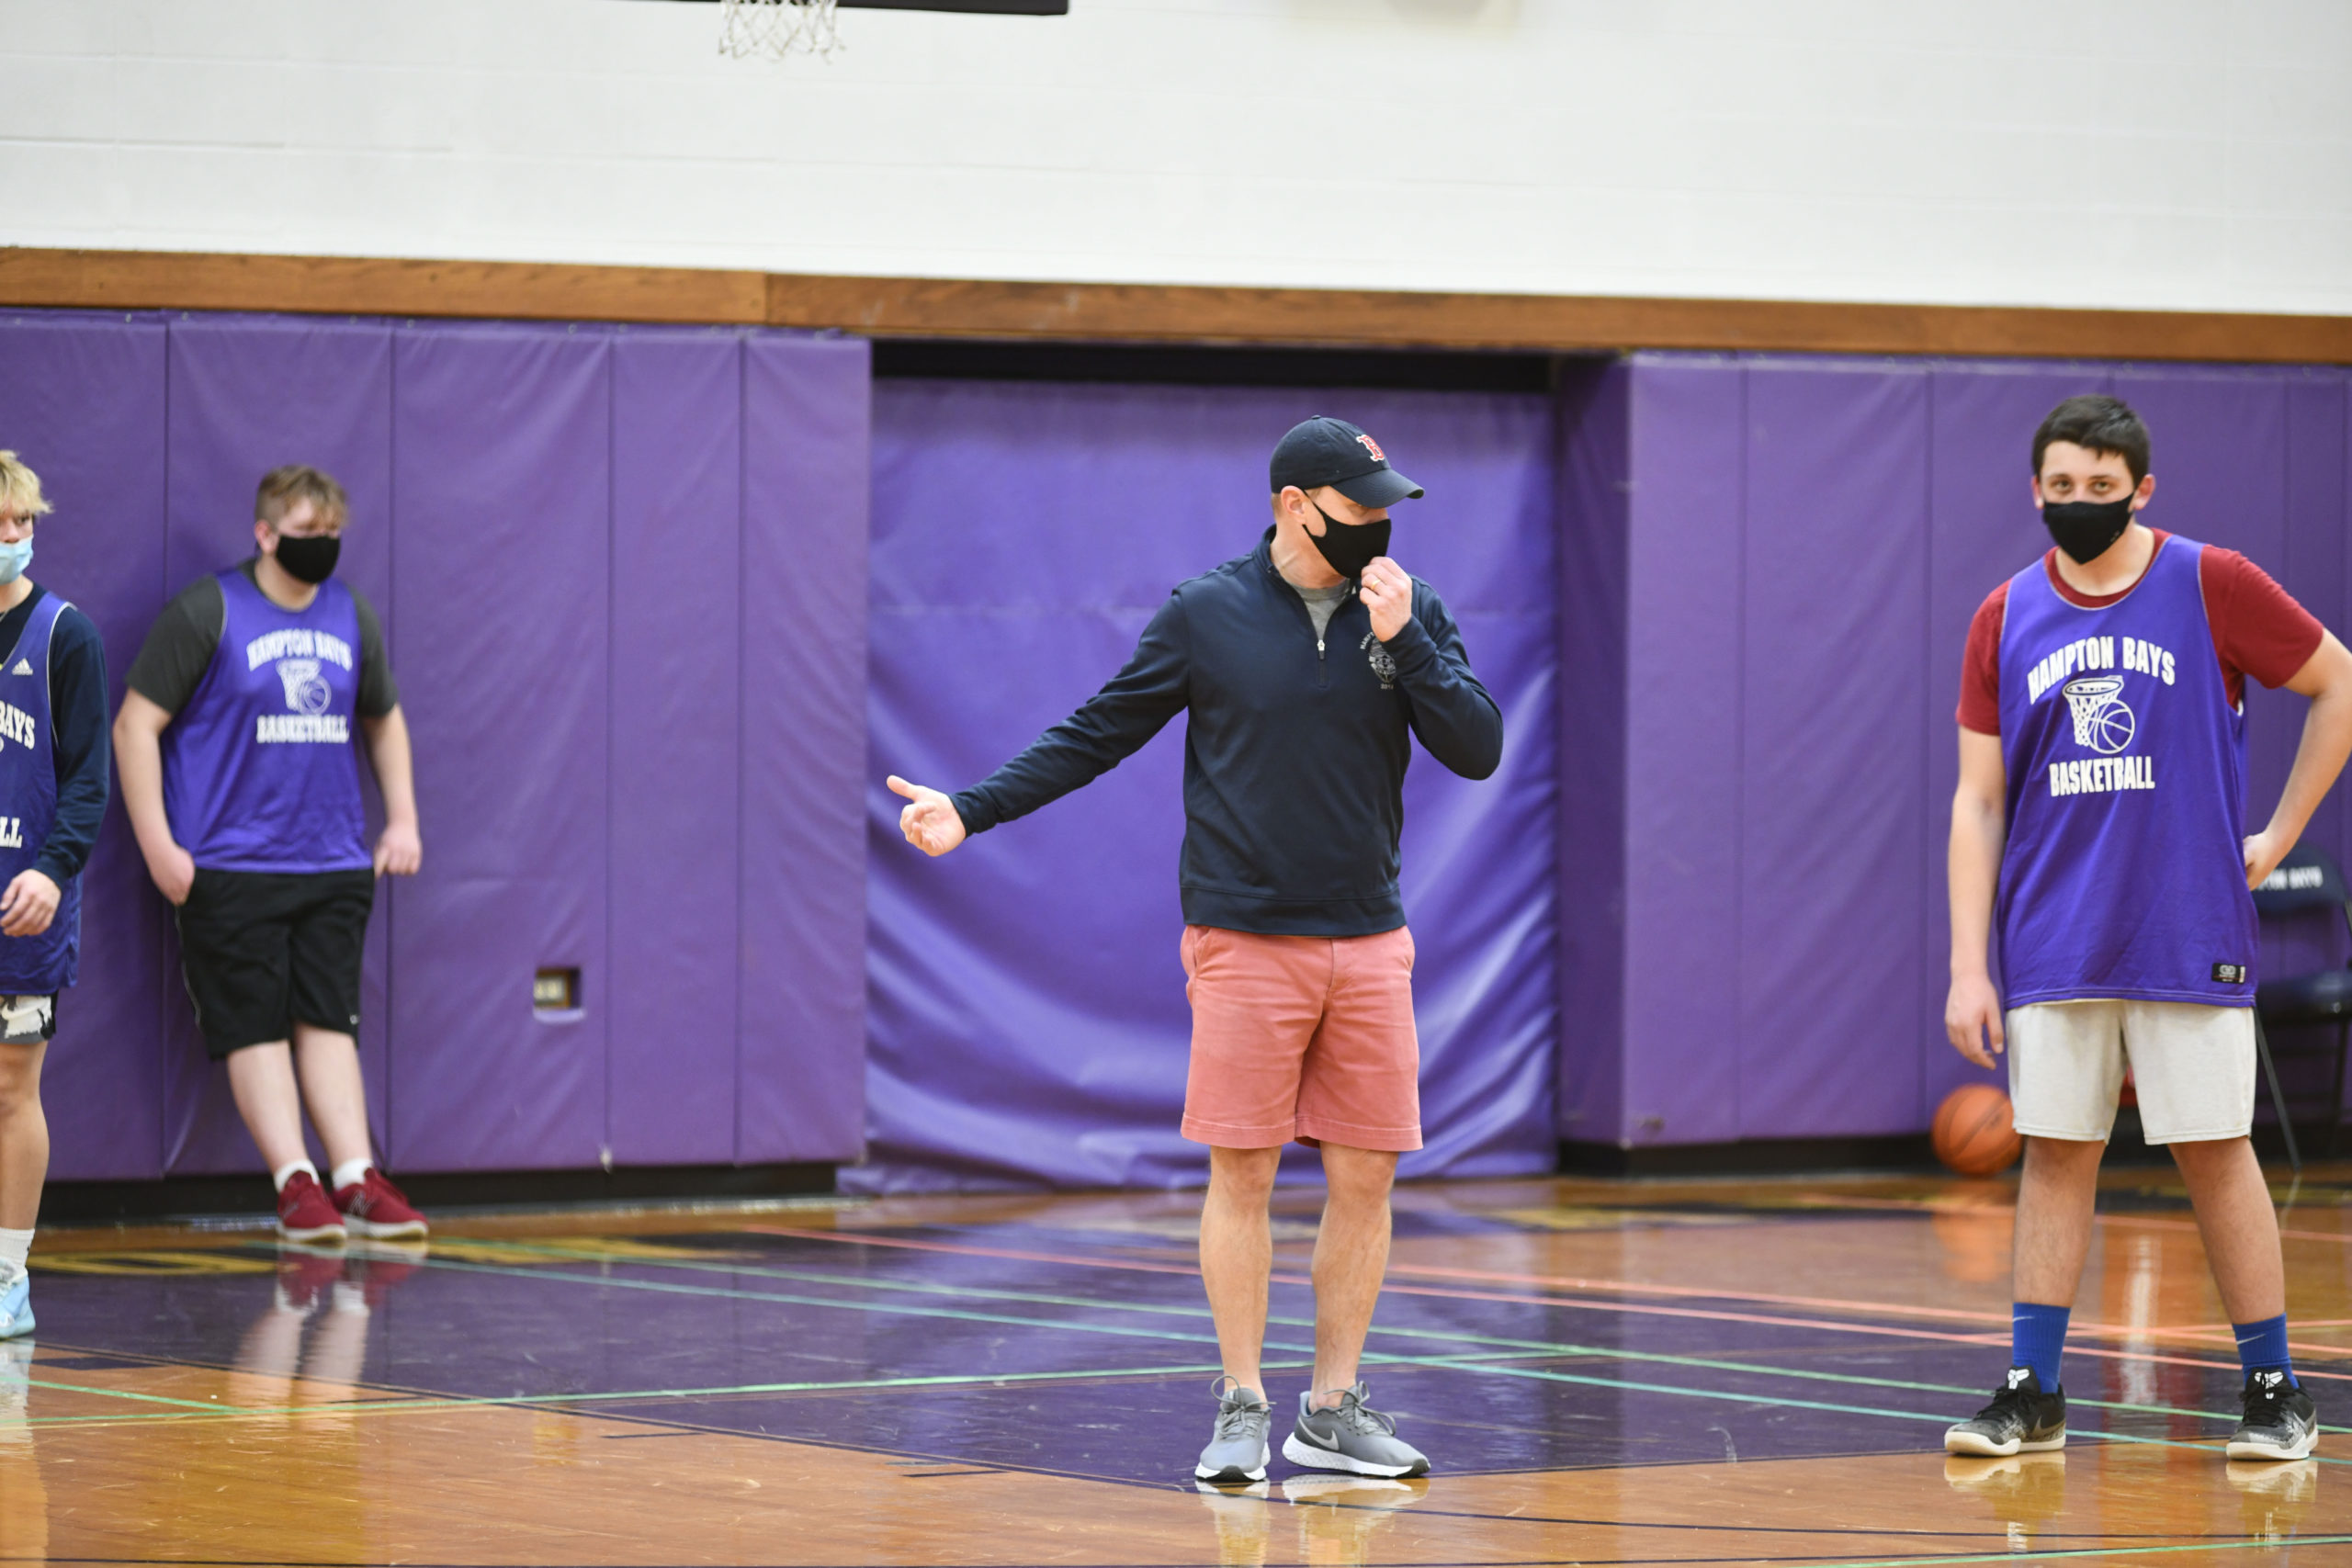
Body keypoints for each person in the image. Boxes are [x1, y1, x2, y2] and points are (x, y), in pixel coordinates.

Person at [888, 417, 1502, 1483]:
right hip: (1243, 938)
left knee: (1367, 1175)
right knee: (1244, 1170)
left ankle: (1331, 1409)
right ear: (1292, 505)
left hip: (1369, 941)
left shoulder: (1409, 609)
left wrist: (1406, 643)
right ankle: (1240, 1404)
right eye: (1359, 507)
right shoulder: (1207, 613)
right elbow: (1098, 730)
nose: (1379, 524)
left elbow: (1478, 748)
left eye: (1386, 507)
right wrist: (970, 810)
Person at [1942, 394, 2352, 1463]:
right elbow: (1977, 800)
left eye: (2101, 487)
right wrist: (1963, 964)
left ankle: (2274, 1389)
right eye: (2061, 488)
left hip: (2184, 924)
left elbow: (2335, 681)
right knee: (2057, 1153)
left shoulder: (2207, 581)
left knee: (2216, 1151)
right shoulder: (2003, 614)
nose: (2080, 504)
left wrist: (2275, 834)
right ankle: (2032, 1389)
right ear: (2036, 490)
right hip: (2051, 935)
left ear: (2141, 489)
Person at [113, 465, 427, 1245]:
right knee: (252, 1024)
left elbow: (382, 718)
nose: (320, 546)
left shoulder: (351, 614)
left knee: (329, 1020)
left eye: (331, 534)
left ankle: (354, 1175)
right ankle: (296, 1183)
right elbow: (134, 725)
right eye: (304, 532)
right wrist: (160, 844)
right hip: (229, 864)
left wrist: (402, 821)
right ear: (263, 532)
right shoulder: (208, 610)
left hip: (331, 861)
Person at [0, 453, 110, 1339]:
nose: (12, 538)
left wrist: (53, 865)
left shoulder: (64, 635)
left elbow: (87, 779)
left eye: (23, 523)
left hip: (23, 899)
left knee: (10, 1085)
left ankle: (6, 1275)